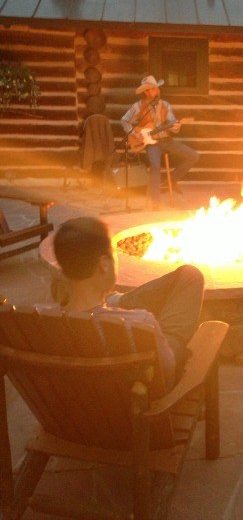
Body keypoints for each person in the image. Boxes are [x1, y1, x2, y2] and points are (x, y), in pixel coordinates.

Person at [40, 216, 205, 390]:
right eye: (113, 253)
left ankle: (112, 300)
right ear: (103, 265)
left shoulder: (40, 319)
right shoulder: (141, 322)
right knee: (191, 276)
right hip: (139, 405)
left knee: (187, 275)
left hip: (76, 405)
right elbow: (168, 368)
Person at [121, 76, 199, 208]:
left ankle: (170, 180)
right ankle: (155, 202)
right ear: (146, 92)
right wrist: (136, 134)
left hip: (166, 140)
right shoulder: (138, 106)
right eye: (153, 89)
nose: (157, 90)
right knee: (155, 166)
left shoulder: (165, 105)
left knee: (194, 156)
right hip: (152, 143)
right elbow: (124, 120)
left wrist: (176, 127)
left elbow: (172, 123)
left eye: (157, 88)